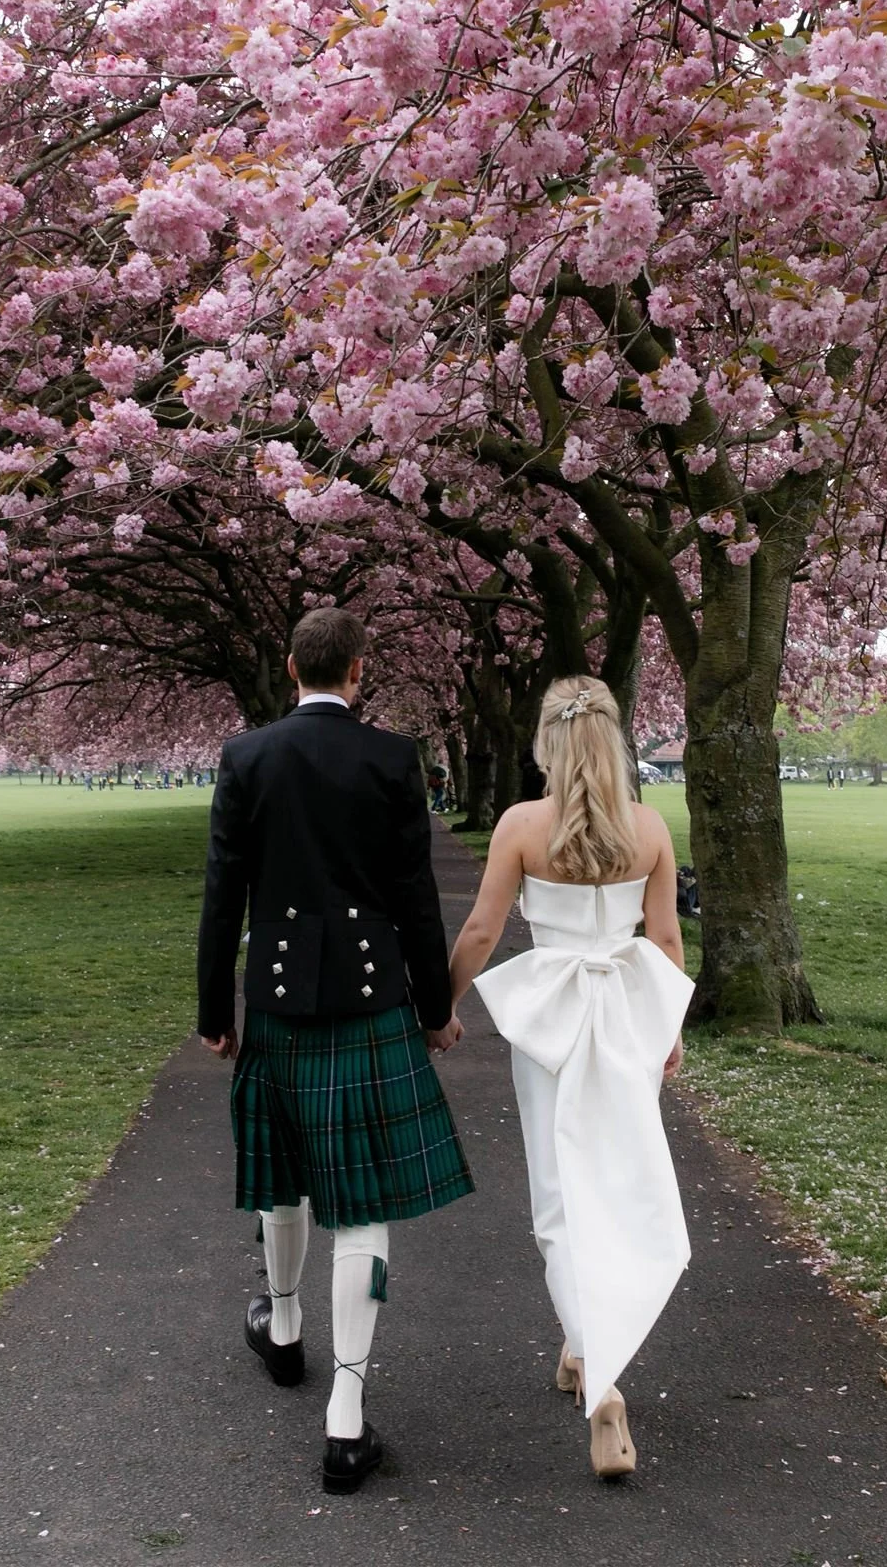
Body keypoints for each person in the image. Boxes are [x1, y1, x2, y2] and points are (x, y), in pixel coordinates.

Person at [197, 607, 473, 1495]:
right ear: (359, 671)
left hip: (277, 1003)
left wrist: (215, 1011)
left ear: (289, 667)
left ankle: (282, 1332)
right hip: (368, 1002)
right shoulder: (393, 759)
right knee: (359, 1207)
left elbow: (222, 896)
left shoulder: (247, 758)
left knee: (283, 1176)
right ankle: (345, 1420)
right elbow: (416, 898)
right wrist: (435, 1006)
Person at [448, 675, 692, 1479]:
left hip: (550, 1019)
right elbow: (662, 942)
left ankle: (603, 1383)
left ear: (546, 743)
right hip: (626, 1016)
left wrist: (439, 1002)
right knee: (615, 1180)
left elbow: (483, 928)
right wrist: (670, 1027)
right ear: (615, 740)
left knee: (558, 1191)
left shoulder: (523, 824)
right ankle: (581, 1343)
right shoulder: (649, 827)